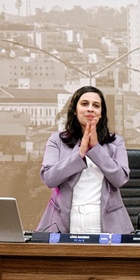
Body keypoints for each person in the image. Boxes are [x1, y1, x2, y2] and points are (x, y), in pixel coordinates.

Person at [37, 86, 134, 235]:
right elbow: (50, 179)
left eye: (96, 105)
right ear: (75, 110)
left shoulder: (116, 142)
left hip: (107, 227)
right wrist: (80, 153)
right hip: (63, 225)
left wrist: (95, 148)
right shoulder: (57, 140)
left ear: (101, 113)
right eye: (84, 104)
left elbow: (120, 179)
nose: (90, 109)